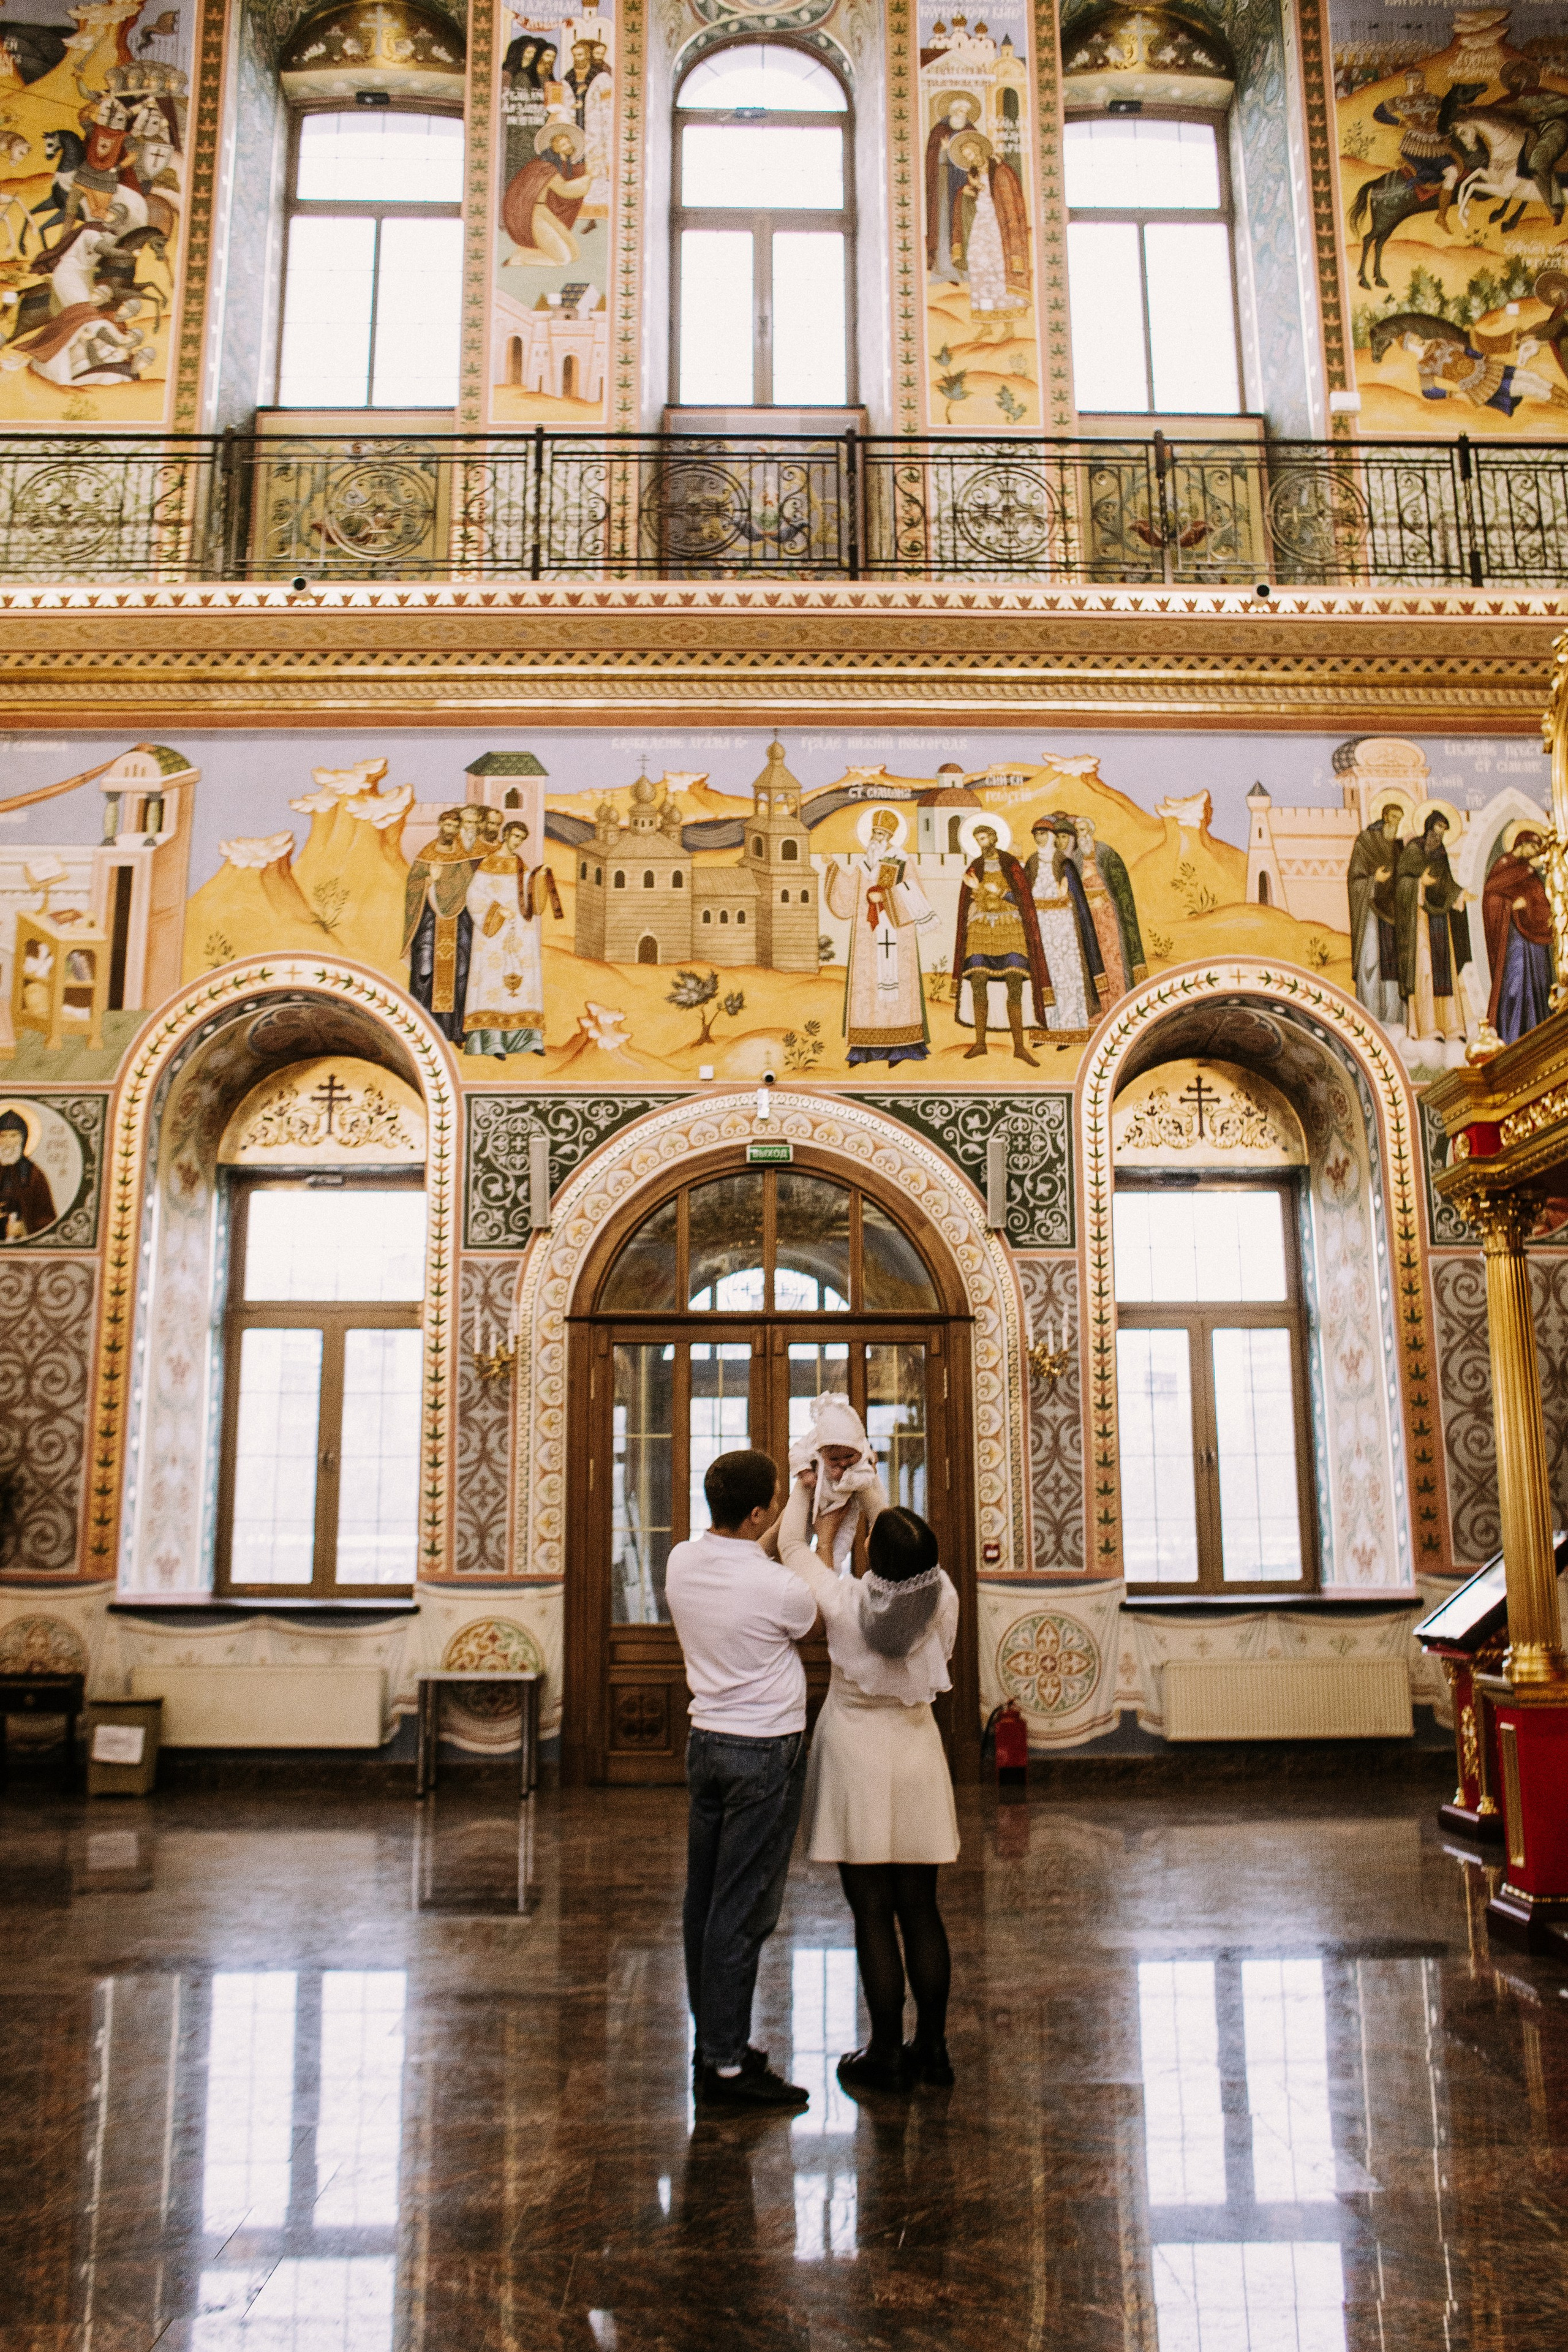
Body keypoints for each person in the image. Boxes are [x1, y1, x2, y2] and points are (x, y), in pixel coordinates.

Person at [777, 1470, 959, 2094]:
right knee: (921, 1908)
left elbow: (791, 1548)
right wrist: (865, 1477)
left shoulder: (843, 1599)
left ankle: (885, 2050)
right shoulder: (943, 1597)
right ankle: (933, 2050)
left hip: (855, 1756)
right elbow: (901, 1540)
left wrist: (810, 1492)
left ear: (873, 1557)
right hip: (916, 1754)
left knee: (873, 1912)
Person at [665, 1449, 816, 2112]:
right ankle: (726, 2068)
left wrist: (795, 1501)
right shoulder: (778, 1588)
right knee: (743, 1910)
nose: (776, 1508)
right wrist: (813, 1528)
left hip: (707, 1745)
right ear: (756, 1513)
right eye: (774, 1501)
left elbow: (747, 1557)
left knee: (703, 1903)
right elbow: (810, 1611)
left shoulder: (680, 1561)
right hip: (762, 1753)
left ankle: (715, 2042)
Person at [824, 809, 938, 1066]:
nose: (875, 838)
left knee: (898, 985)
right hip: (867, 935)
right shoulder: (865, 863)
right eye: (874, 832)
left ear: (890, 837)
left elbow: (915, 894)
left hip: (897, 930)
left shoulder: (901, 860)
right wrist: (833, 867)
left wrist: (886, 897)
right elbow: (849, 893)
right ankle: (864, 1051)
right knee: (867, 987)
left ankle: (902, 1048)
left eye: (881, 834)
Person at [462, 817, 562, 1059]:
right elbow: (473, 895)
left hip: (520, 932)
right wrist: (497, 911)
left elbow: (529, 895)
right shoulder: (488, 863)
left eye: (522, 839)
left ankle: (529, 1039)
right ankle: (492, 1042)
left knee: (525, 983)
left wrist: (541, 877)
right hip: (493, 934)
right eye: (515, 836)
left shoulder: (519, 864)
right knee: (492, 983)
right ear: (506, 834)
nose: (518, 842)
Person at [953, 820, 1052, 1064]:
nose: (981, 844)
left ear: (994, 839)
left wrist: (998, 892)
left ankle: (1019, 1047)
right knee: (978, 980)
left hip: (1010, 929)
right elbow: (971, 901)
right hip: (981, 930)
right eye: (977, 840)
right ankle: (980, 1043)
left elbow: (1023, 900)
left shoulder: (1011, 865)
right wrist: (978, 888)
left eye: (984, 838)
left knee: (1014, 983)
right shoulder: (975, 867)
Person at [786, 1392, 890, 1572]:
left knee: (841, 1544)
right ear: (822, 1451)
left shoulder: (864, 1454)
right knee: (799, 1539)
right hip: (814, 1503)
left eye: (849, 1457)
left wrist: (844, 1478)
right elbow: (796, 1452)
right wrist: (804, 1471)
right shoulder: (815, 1439)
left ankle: (832, 1570)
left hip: (845, 1506)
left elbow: (866, 1479)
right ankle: (800, 1571)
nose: (842, 1463)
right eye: (834, 1459)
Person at [1023, 813, 1105, 1040]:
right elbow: (1024, 894)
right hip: (1041, 927)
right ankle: (1046, 1030)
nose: (1039, 838)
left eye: (1043, 834)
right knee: (1045, 976)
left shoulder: (1064, 863)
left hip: (1064, 926)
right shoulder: (1032, 862)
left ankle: (1071, 1028)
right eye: (1036, 834)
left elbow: (1077, 899)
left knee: (1067, 976)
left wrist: (1065, 896)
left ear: (1051, 836)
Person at [1395, 810, 1472, 1045]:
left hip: (1440, 919)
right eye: (1437, 829)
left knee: (1445, 969)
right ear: (1428, 828)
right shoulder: (1413, 850)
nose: (1439, 835)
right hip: (1418, 920)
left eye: (1443, 831)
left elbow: (1447, 882)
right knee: (1425, 969)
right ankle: (1426, 1027)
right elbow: (1402, 881)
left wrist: (1459, 894)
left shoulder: (1441, 854)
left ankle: (1452, 1026)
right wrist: (1419, 883)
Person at [1483, 826, 1555, 1044]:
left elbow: (1541, 901)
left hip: (1535, 941)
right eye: (1532, 847)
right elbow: (1491, 894)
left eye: (1537, 850)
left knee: (1539, 984)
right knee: (1515, 983)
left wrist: (1531, 905)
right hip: (1513, 936)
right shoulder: (1506, 864)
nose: (1534, 853)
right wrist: (1511, 905)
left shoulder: (1530, 873)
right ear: (1522, 844)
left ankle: (1539, 1029)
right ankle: (1511, 1035)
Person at [1347, 801, 1405, 1027]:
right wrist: (1374, 880)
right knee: (1371, 962)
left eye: (1400, 819)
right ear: (1385, 817)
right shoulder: (1366, 841)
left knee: (1393, 967)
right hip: (1371, 910)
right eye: (1394, 818)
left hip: (1393, 913)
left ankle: (1394, 1019)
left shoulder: (1398, 847)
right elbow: (1355, 879)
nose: (1396, 823)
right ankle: (1370, 1016)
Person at [0, 1109, 58, 1238]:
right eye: (3, 1136)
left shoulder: (34, 1174)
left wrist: (25, 1228)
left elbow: (47, 1218)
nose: (8, 1141)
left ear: (23, 1139)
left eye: (14, 1136)